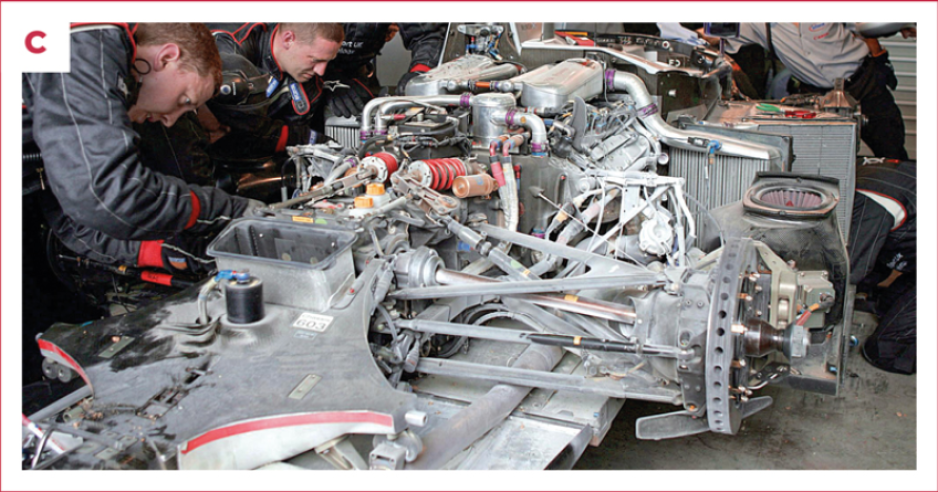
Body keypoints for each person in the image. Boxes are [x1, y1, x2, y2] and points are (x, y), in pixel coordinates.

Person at [23, 23, 255, 274]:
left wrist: (167, 252)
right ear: (166, 58)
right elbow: (106, 196)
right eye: (185, 101)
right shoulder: (87, 38)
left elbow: (76, 219)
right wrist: (227, 210)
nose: (171, 119)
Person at [706, 23, 909, 160]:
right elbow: (713, 35)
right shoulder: (759, 23)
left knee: (892, 151)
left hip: (864, 83)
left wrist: (880, 53)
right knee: (824, 160)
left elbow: (866, 26)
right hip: (815, 98)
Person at [201, 23, 344, 167]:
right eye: (315, 60)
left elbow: (268, 139)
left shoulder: (311, 87)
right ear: (288, 39)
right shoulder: (232, 44)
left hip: (250, 159)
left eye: (327, 61)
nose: (321, 71)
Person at [848, 158, 916, 374]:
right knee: (886, 304)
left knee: (884, 351)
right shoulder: (853, 172)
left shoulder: (873, 200)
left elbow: (850, 268)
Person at [323, 23, 446, 118]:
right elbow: (305, 35)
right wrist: (326, 78)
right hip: (313, 74)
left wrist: (419, 73)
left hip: (359, 74)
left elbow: (428, 35)